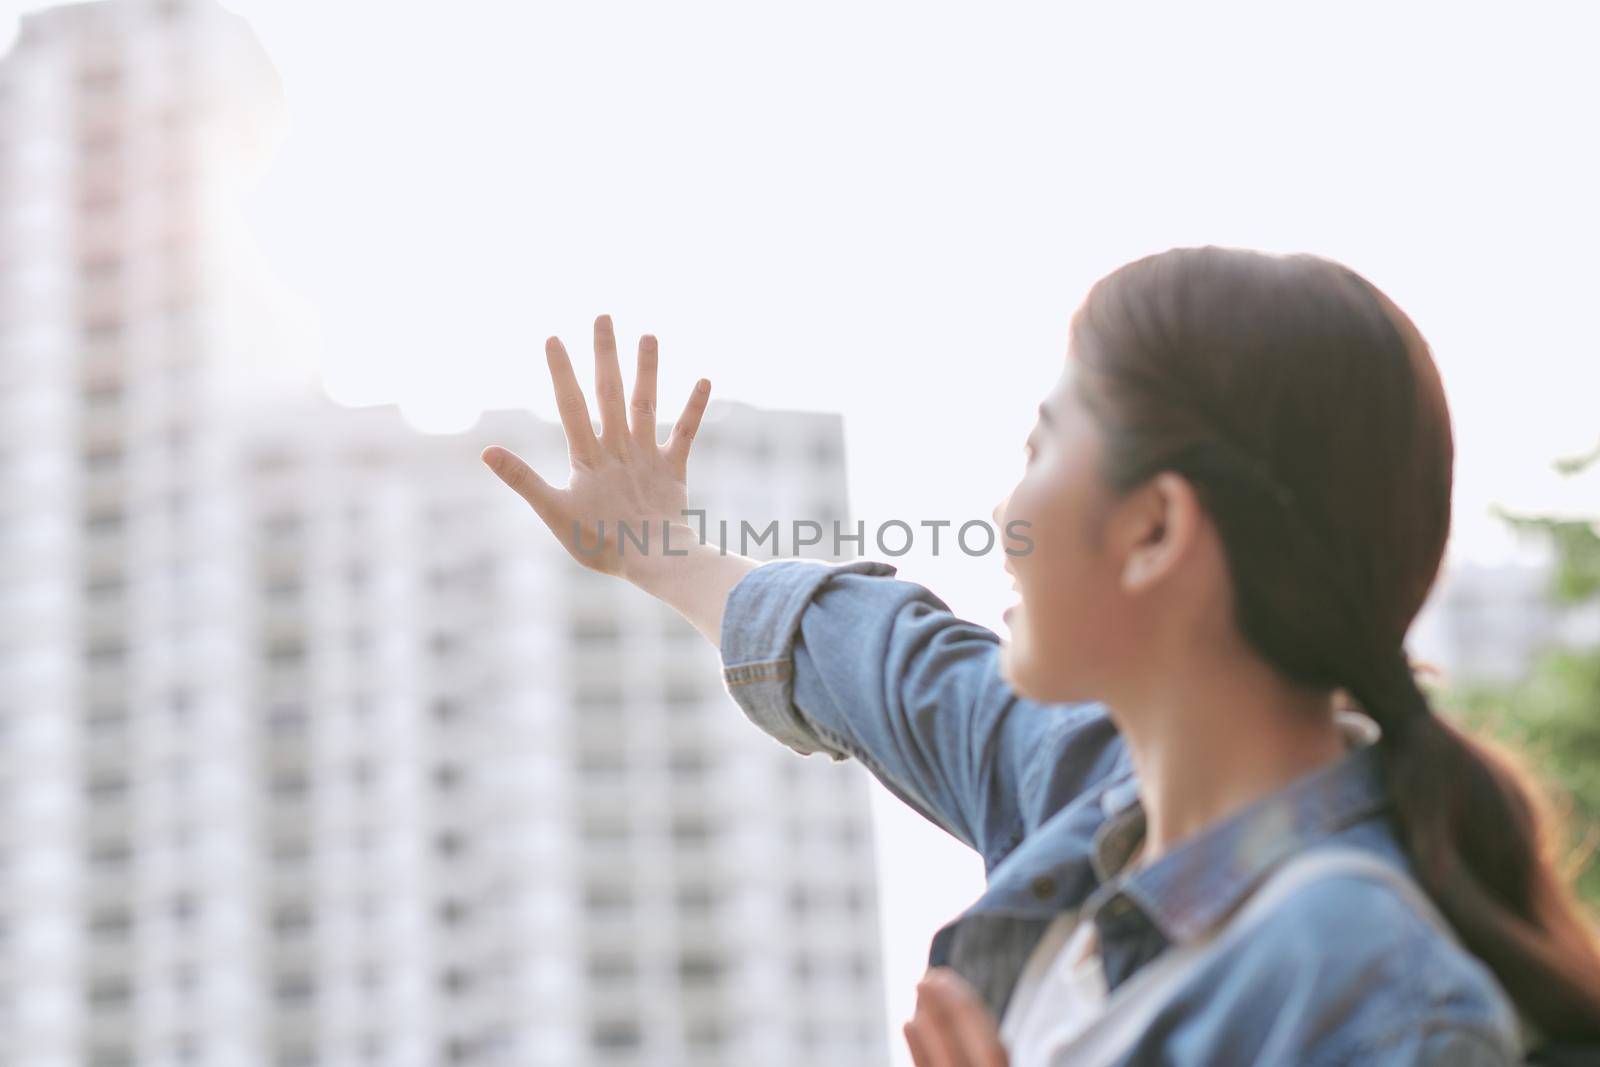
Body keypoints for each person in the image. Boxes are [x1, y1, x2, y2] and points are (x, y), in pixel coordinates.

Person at [480, 247, 1600, 1066]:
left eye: (1041, 444)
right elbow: (880, 661)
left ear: (1154, 528)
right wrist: (665, 555)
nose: (1003, 501)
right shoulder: (1084, 790)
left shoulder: (1365, 981)